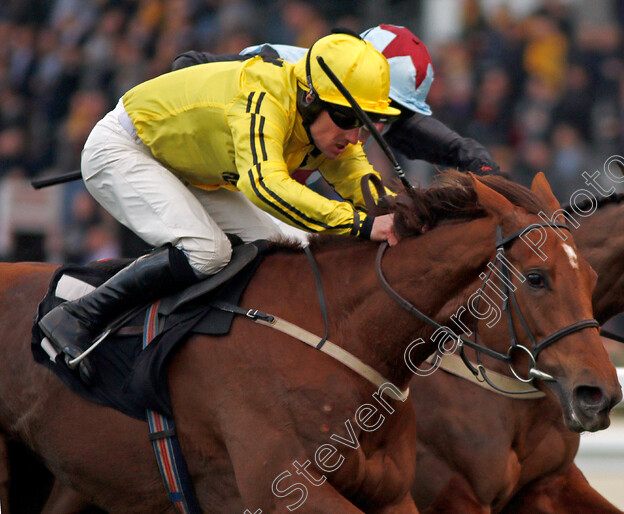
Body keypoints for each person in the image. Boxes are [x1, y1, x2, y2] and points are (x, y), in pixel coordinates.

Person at [39, 33, 401, 379]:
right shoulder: (264, 98)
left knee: (292, 248)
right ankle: (78, 316)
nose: (354, 137)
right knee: (207, 251)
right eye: (346, 119)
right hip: (123, 148)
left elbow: (362, 183)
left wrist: (403, 212)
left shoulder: (321, 124)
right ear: (309, 98)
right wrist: (361, 226)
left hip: (187, 166)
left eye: (364, 125)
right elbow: (266, 186)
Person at [172, 24, 500, 177]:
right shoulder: (276, 63)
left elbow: (462, 151)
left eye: (396, 112)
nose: (380, 120)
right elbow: (187, 64)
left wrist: (493, 179)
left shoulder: (383, 112)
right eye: (384, 104)